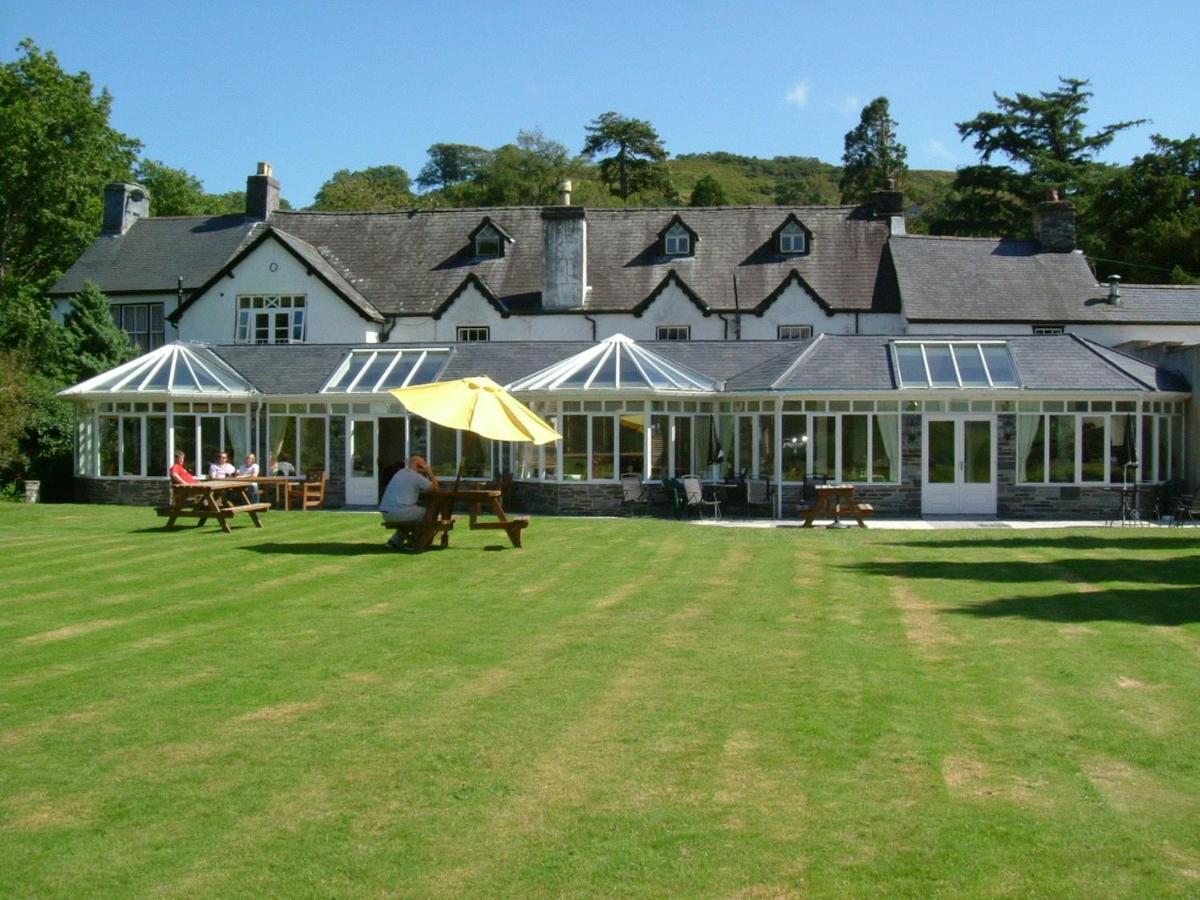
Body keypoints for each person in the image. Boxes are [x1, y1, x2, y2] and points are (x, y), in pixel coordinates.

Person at [379, 455, 440, 550]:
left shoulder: (400, 472)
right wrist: (429, 472)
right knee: (428, 513)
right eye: (424, 465)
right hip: (400, 513)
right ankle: (415, 542)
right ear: (420, 465)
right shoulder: (416, 477)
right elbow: (436, 489)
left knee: (411, 513)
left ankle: (394, 542)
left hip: (386, 513)